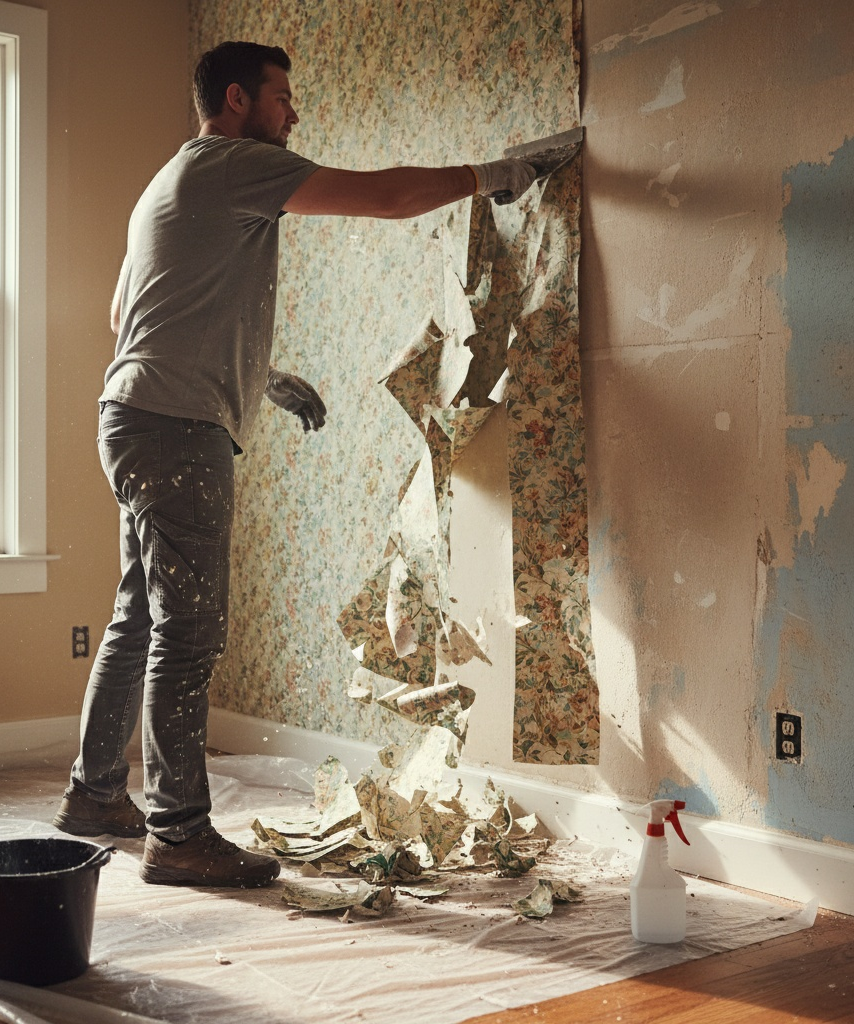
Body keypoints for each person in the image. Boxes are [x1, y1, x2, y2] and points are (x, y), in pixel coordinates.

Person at [53, 41, 536, 887]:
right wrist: (489, 175)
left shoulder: (171, 181)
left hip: (132, 414)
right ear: (237, 101)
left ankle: (95, 795)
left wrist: (255, 375)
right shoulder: (236, 163)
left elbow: (126, 311)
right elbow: (385, 195)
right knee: (187, 628)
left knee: (141, 611)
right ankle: (178, 833)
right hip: (174, 427)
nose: (295, 113)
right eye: (284, 97)